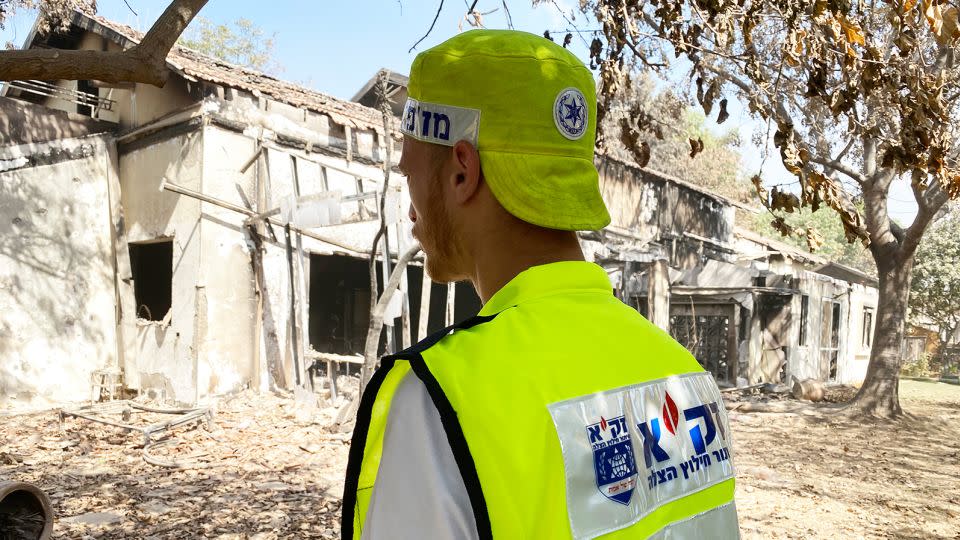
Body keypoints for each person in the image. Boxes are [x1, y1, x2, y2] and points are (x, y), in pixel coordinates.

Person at [341, 29, 739, 540]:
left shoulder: (438, 403)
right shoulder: (687, 377)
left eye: (410, 172)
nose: (409, 203)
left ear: (462, 170)